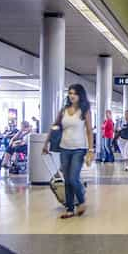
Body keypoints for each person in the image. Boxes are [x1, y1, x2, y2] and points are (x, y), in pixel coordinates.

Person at [44, 84, 94, 218]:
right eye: (70, 93)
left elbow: (89, 131)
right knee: (67, 180)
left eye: (75, 93)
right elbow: (54, 126)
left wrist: (91, 149)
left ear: (80, 95)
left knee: (73, 178)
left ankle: (82, 201)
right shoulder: (64, 110)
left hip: (79, 149)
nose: (72, 96)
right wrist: (46, 143)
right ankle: (70, 208)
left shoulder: (85, 111)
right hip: (64, 148)